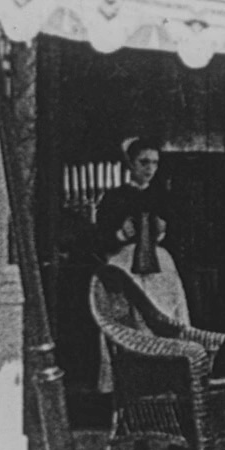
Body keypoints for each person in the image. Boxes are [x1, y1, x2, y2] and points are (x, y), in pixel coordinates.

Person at [95, 136, 190, 326]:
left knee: (163, 314)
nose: (150, 168)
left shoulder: (164, 198)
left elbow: (180, 237)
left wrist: (162, 233)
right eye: (144, 162)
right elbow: (99, 240)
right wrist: (121, 234)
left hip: (159, 267)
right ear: (130, 164)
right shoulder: (114, 198)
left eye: (155, 163)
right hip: (124, 264)